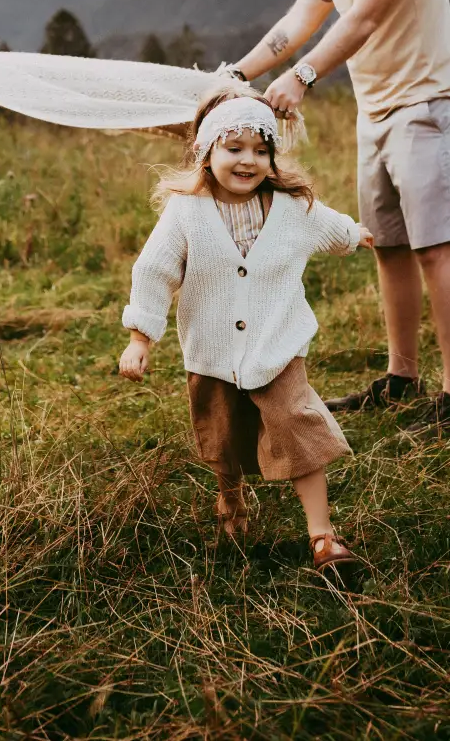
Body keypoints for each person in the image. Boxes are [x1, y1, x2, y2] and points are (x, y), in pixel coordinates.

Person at [227, 0, 450, 435]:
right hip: (378, 112)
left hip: (425, 104)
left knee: (437, 247)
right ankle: (402, 379)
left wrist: (303, 78)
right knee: (388, 247)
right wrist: (238, 73)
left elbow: (364, 15)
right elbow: (298, 20)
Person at [118, 84, 373, 574]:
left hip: (277, 344)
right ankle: (230, 503)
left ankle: (322, 536)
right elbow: (154, 271)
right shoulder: (186, 212)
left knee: (298, 424)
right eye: (234, 149)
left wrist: (355, 235)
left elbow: (329, 226)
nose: (248, 161)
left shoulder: (290, 208)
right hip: (212, 350)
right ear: (206, 151)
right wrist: (140, 337)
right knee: (224, 436)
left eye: (261, 150)